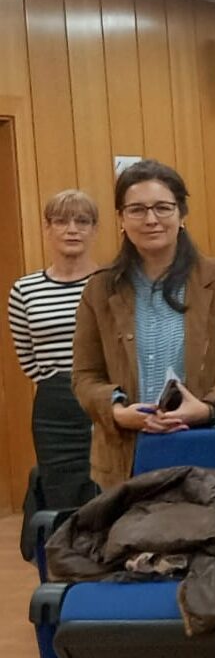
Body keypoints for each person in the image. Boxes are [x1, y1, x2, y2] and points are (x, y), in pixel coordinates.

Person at [71, 160, 215, 490]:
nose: (151, 219)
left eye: (163, 207)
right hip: (126, 457)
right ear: (121, 219)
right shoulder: (100, 288)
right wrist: (116, 410)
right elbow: (85, 376)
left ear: (182, 214)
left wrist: (206, 409)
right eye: (137, 210)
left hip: (207, 449)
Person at [10, 190, 100, 509]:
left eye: (82, 221)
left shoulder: (109, 283)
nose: (72, 229)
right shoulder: (24, 290)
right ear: (47, 228)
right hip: (54, 407)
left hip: (103, 398)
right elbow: (27, 358)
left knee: (105, 488)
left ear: (94, 229)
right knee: (60, 493)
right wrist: (58, 382)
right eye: (61, 221)